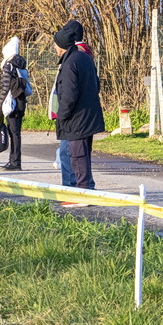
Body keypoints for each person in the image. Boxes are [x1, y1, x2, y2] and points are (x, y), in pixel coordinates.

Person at [53, 20, 104, 204]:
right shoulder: (84, 57)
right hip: (88, 116)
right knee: (82, 155)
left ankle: (81, 194)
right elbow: (96, 85)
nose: (54, 47)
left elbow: (68, 95)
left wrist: (62, 116)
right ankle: (85, 190)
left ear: (61, 46)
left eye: (55, 44)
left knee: (77, 156)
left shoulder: (70, 63)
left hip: (76, 119)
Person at [0, 36, 30, 170]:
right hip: (20, 101)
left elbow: (5, 86)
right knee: (16, 133)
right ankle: (16, 161)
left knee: (13, 133)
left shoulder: (8, 65)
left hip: (10, 103)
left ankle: (14, 162)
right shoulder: (21, 64)